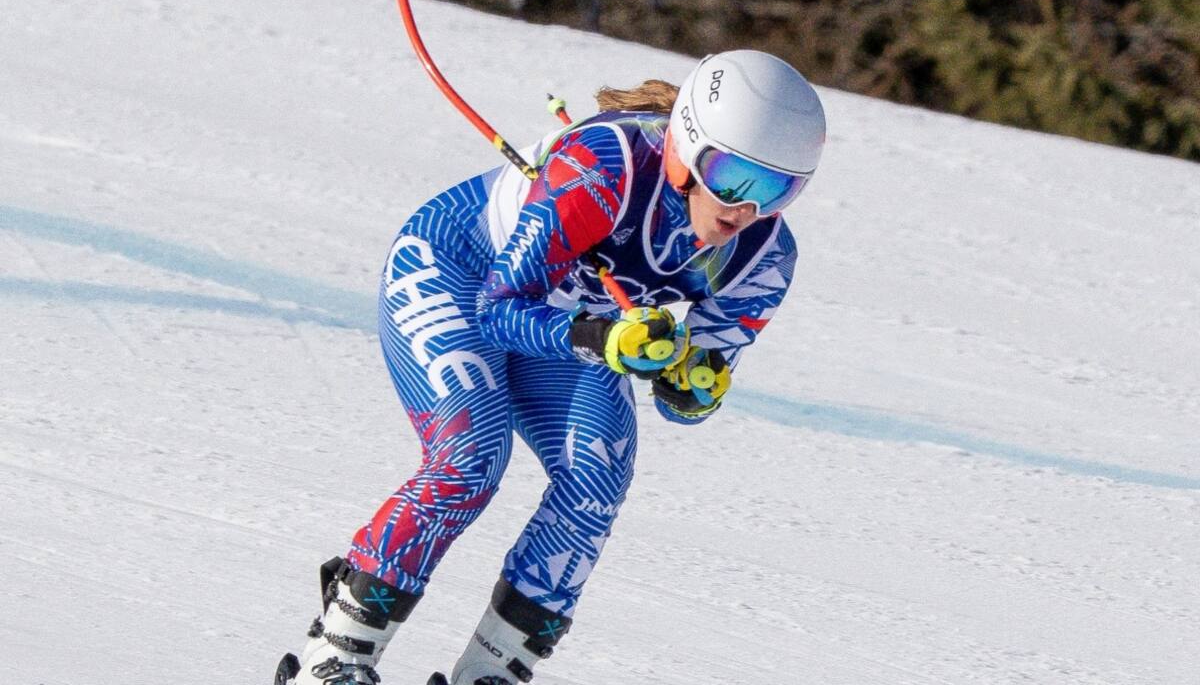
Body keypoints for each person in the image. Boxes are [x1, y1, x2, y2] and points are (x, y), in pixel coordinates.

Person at [276, 49, 827, 685]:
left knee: (597, 477)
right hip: (458, 275)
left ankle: (494, 671)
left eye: (778, 189)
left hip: (570, 325)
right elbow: (498, 310)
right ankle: (336, 655)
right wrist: (604, 338)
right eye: (732, 176)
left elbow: (690, 398)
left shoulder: (764, 256)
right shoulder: (605, 168)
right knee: (469, 460)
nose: (744, 210)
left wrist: (692, 381)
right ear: (684, 148)